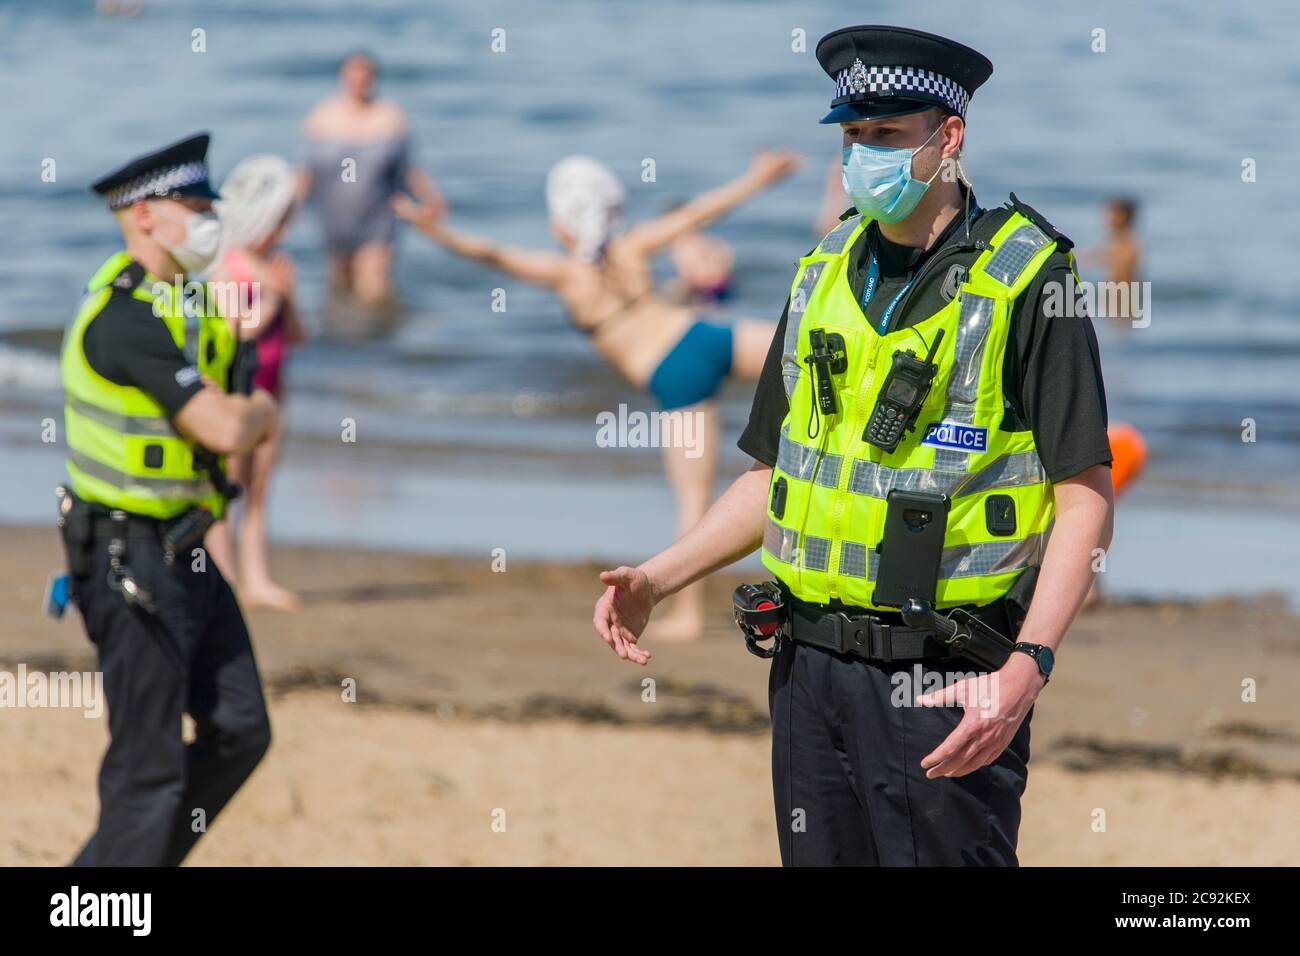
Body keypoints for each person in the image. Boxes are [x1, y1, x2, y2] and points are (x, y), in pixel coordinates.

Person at [593, 26, 1116, 866]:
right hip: (807, 671)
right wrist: (658, 576)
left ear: (949, 138)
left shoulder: (1030, 278)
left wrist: (1030, 665)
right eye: (850, 137)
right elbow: (774, 479)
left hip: (951, 672)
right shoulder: (821, 270)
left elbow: (1085, 496)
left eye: (884, 135)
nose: (860, 155)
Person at [395, 150, 800, 640]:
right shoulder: (630, 247)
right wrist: (757, 179)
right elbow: (696, 214)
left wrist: (433, 230)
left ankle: (690, 614)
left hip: (677, 375)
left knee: (694, 497)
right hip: (707, 338)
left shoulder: (568, 273)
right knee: (805, 358)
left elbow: (491, 253)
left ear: (564, 222)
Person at [60, 133, 279, 865]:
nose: (209, 220)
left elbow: (224, 386)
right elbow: (224, 425)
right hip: (128, 560)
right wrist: (263, 416)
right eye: (194, 207)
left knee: (241, 728)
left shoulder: (188, 303)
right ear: (145, 216)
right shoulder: (124, 319)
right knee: (146, 769)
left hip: (183, 549)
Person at [205, 154, 304, 610]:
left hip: (273, 389)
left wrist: (290, 299)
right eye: (278, 221)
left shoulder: (278, 266)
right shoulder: (229, 266)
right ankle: (224, 578)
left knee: (260, 488)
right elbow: (232, 330)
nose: (282, 232)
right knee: (228, 488)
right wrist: (272, 300)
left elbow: (298, 335)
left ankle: (257, 578)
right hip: (234, 390)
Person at [299, 50, 444, 316]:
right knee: (339, 289)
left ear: (374, 78)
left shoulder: (390, 116)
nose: (358, 81)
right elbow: (306, 173)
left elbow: (409, 168)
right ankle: (342, 347)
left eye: (365, 75)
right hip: (334, 218)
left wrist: (430, 197)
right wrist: (288, 209)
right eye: (353, 74)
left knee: (374, 289)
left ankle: (380, 348)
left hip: (377, 216)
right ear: (343, 77)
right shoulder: (322, 115)